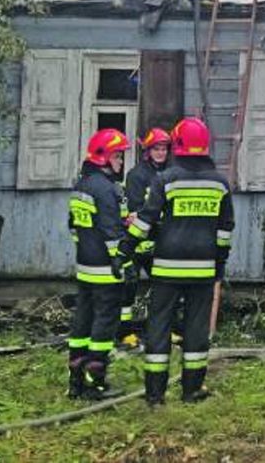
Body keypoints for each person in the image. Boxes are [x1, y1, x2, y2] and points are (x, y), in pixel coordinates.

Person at [121, 117, 234, 405]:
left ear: (177, 146)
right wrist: (219, 265)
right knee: (196, 330)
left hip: (167, 268)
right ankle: (192, 391)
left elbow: (145, 221)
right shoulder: (220, 184)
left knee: (159, 327)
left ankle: (155, 395)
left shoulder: (166, 180)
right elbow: (224, 231)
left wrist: (125, 250)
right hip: (203, 270)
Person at [67, 128, 131, 400]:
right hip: (106, 269)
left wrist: (87, 246)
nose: (121, 161)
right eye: (118, 156)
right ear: (104, 157)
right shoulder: (106, 189)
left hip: (85, 265)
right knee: (104, 324)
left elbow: (74, 227)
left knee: (82, 322)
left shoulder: (81, 185)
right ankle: (95, 383)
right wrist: (122, 261)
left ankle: (76, 381)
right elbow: (111, 232)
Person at [118, 127, 171, 327]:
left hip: (161, 241)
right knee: (129, 284)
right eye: (156, 149)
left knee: (165, 287)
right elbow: (135, 211)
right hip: (138, 240)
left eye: (164, 149)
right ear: (148, 151)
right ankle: (124, 330)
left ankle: (161, 327)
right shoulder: (136, 175)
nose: (161, 153)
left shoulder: (171, 173)